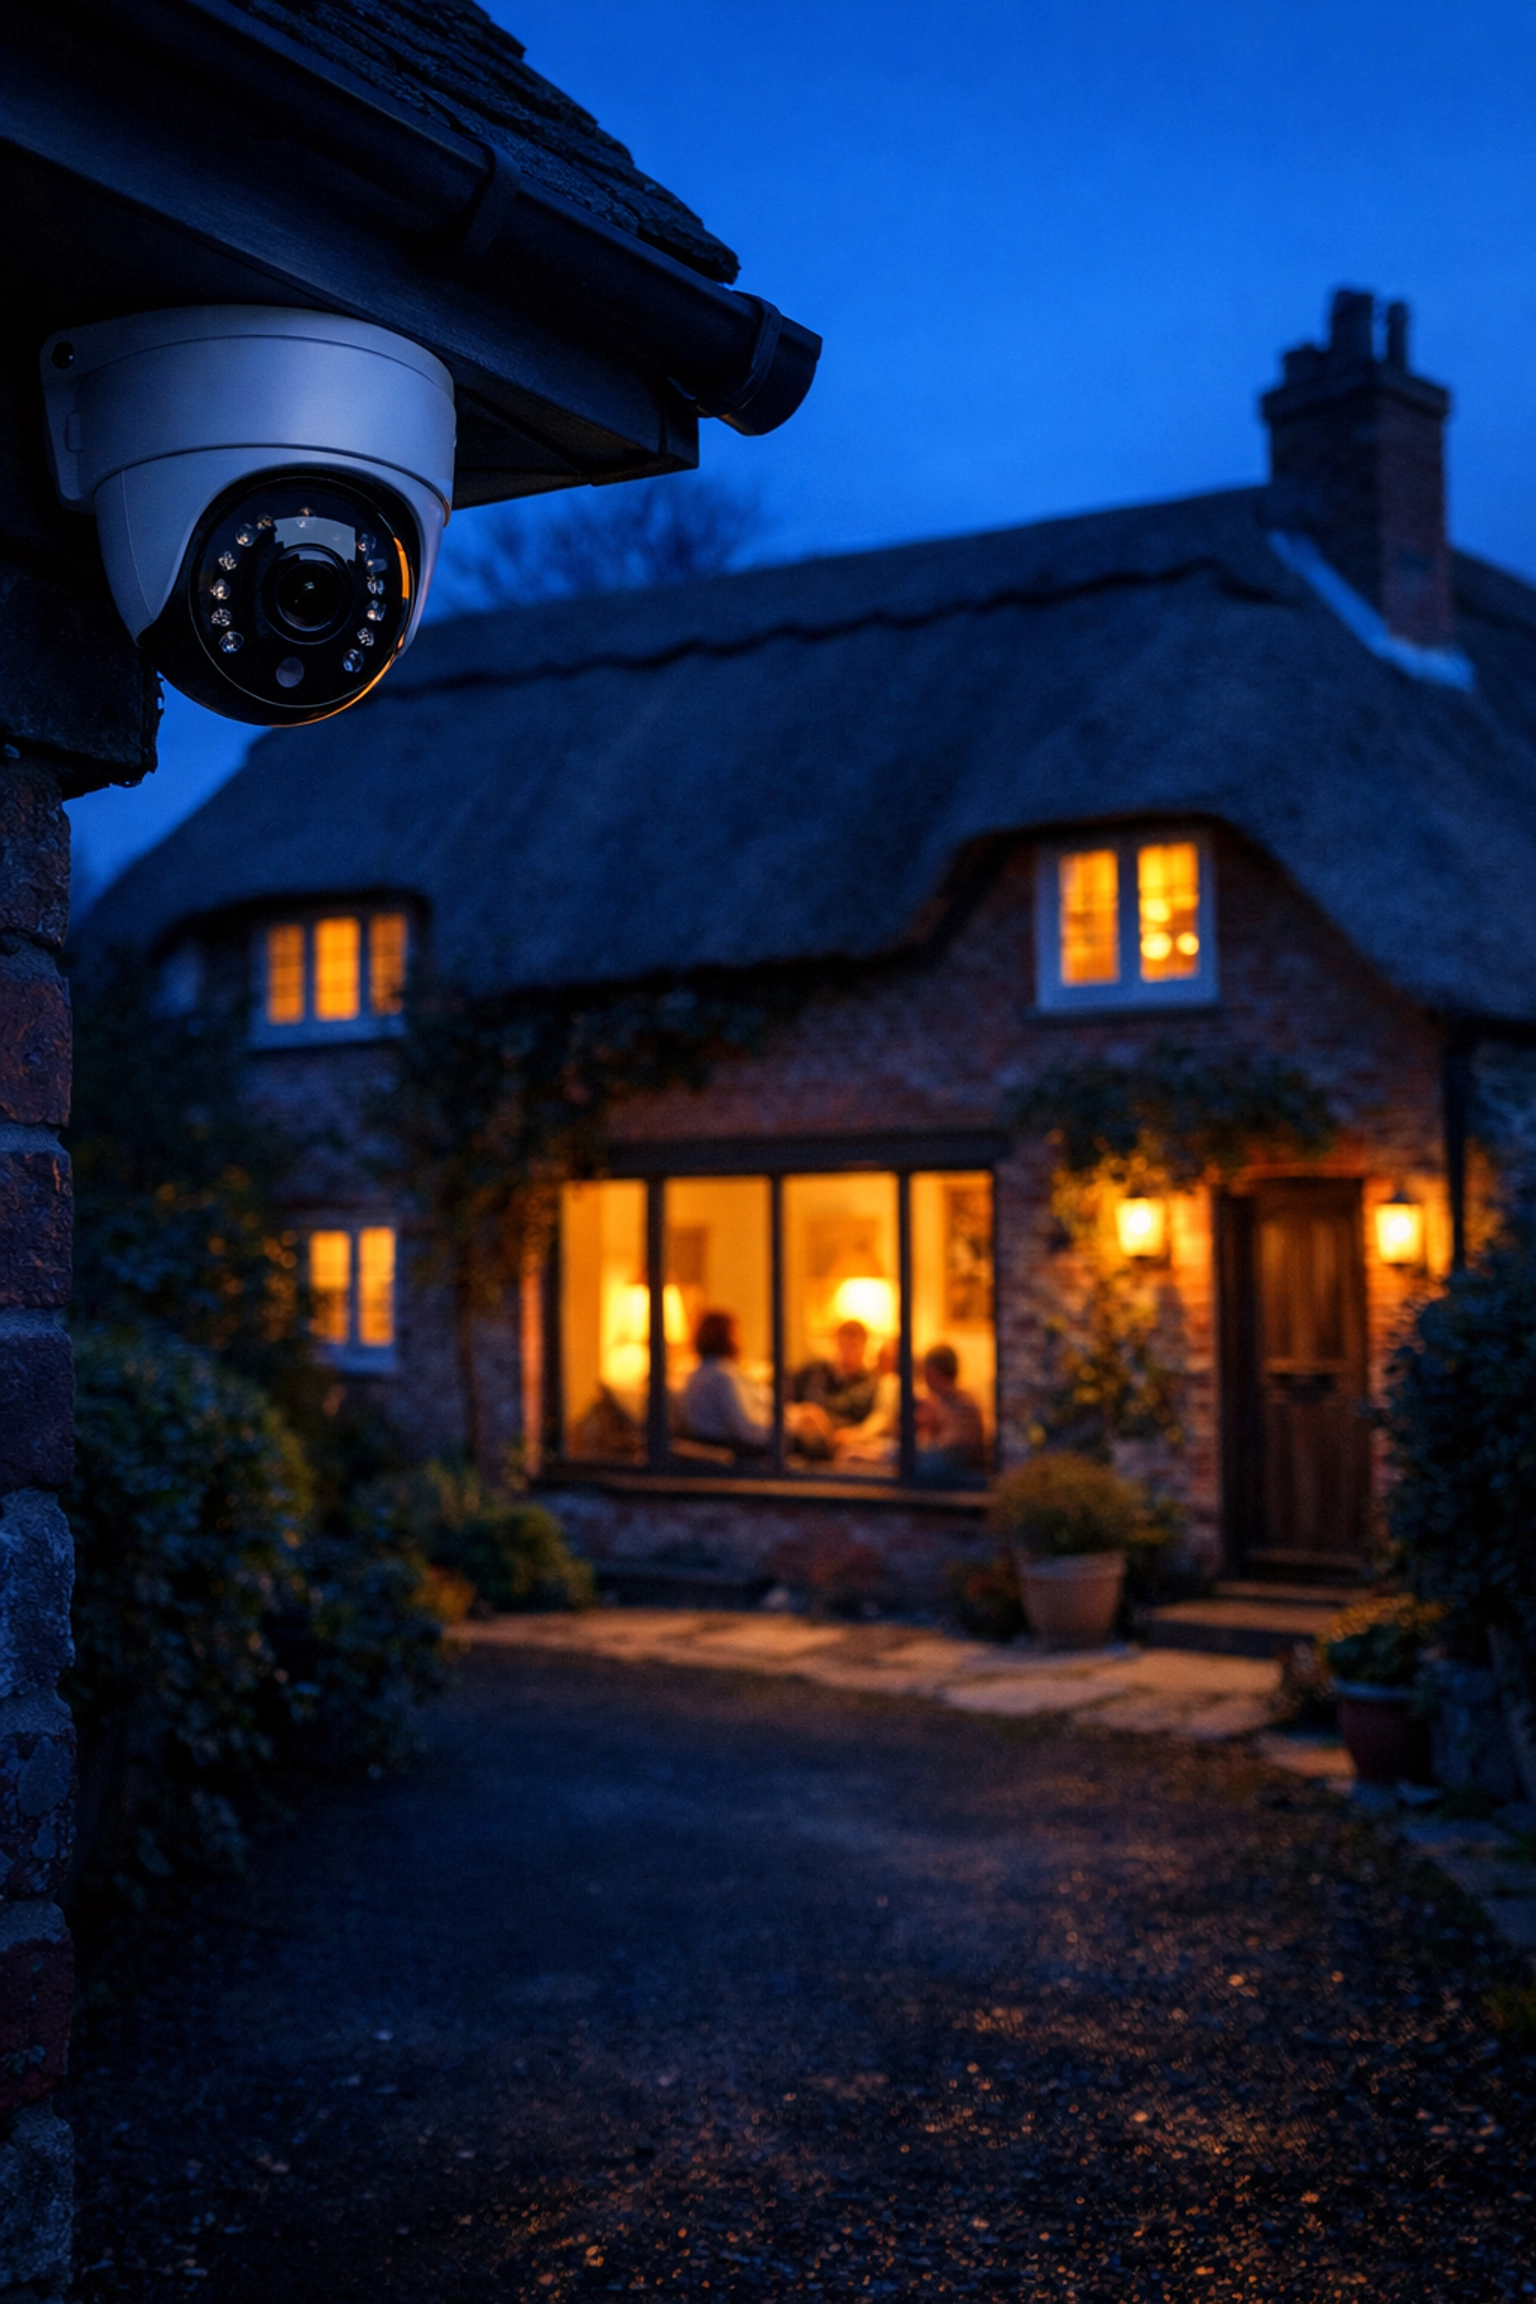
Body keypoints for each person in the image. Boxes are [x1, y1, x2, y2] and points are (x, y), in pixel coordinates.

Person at [678, 1309, 772, 1457]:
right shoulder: (723, 1376)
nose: (741, 1339)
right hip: (728, 1448)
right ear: (725, 1337)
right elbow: (743, 1429)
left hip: (706, 1442)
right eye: (736, 1333)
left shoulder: (694, 1374)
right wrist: (781, 1433)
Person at [914, 1342, 986, 1487]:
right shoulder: (945, 1401)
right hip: (949, 1480)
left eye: (925, 1373)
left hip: (955, 1484)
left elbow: (949, 1453)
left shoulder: (962, 1406)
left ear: (932, 1372)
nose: (924, 1380)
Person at [790, 1319, 878, 1426]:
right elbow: (786, 1397)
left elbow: (865, 1422)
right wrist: (800, 1412)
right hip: (799, 1433)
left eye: (853, 1345)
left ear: (864, 1346)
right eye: (843, 1344)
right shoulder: (812, 1371)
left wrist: (822, 1420)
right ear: (835, 1343)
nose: (848, 1350)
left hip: (843, 1438)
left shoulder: (870, 1384)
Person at [833, 1336, 900, 1471]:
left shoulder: (890, 1383)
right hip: (880, 1445)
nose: (879, 1362)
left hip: (885, 1447)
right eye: (880, 1356)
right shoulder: (875, 1382)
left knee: (848, 1455)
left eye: (887, 1358)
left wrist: (857, 1436)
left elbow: (883, 1418)